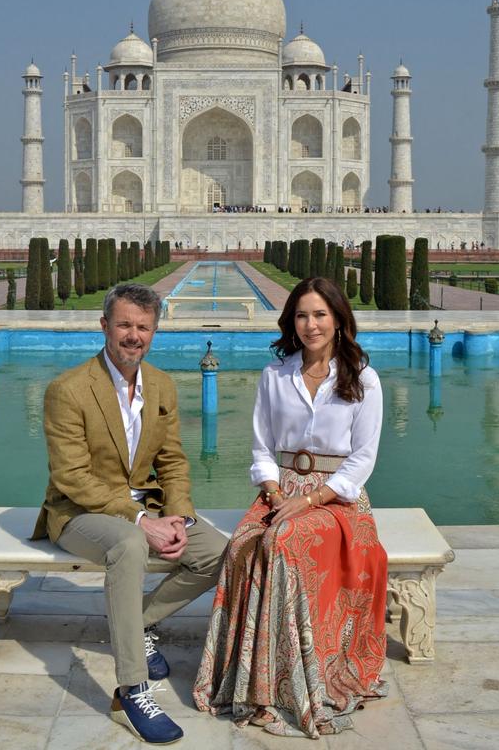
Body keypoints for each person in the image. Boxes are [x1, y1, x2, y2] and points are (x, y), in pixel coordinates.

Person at [193, 276, 388, 738]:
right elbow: (261, 447)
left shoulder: (362, 379)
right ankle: (250, 675)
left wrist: (312, 499)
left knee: (282, 540)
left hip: (339, 497)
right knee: (244, 543)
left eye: (320, 314)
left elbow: (363, 459)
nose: (311, 324)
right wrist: (277, 493)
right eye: (302, 315)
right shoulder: (275, 376)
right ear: (291, 322)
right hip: (280, 490)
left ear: (339, 319)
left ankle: (294, 678)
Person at [32, 283, 227, 744]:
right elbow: (71, 478)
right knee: (129, 543)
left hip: (148, 505)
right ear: (104, 326)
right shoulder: (69, 390)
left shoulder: (160, 384)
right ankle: (131, 691)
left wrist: (177, 515)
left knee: (222, 551)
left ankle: (136, 621)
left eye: (143, 327)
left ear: (154, 332)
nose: (133, 335)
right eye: (124, 325)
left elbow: (174, 461)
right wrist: (142, 521)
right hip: (80, 511)